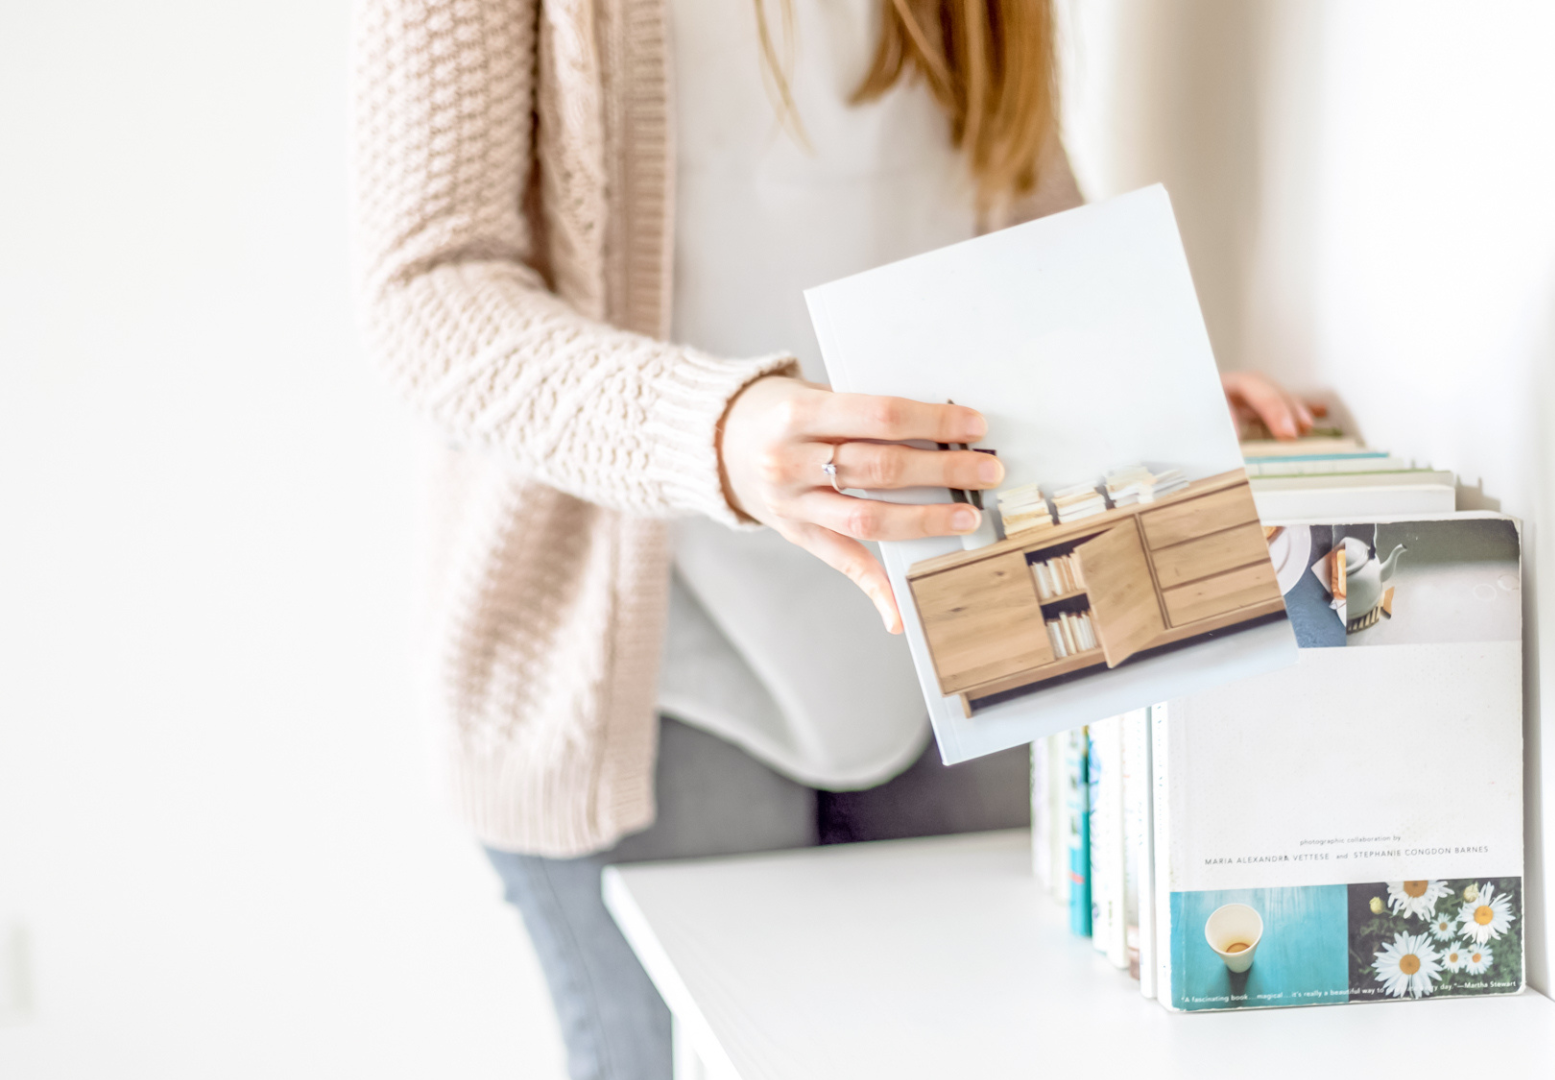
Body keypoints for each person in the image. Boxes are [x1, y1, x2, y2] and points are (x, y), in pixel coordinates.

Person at [351, 1, 1314, 1076]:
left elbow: (1007, 187)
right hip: (645, 668)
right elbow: (429, 294)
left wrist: (1133, 397)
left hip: (946, 640)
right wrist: (716, 432)